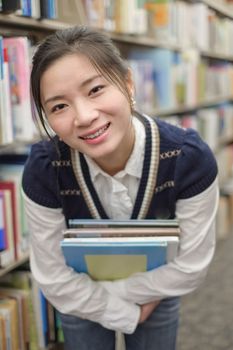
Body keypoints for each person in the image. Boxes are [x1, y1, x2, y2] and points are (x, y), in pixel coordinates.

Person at [22, 25, 219, 350]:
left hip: (157, 291)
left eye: (96, 89)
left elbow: (191, 267)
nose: (84, 116)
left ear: (128, 82)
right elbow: (53, 277)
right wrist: (124, 313)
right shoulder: (44, 168)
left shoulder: (187, 158)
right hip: (77, 300)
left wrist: (124, 299)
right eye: (59, 106)